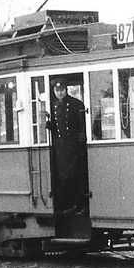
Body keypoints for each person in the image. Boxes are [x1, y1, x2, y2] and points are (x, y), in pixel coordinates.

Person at [47, 79, 88, 213]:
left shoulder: (75, 104)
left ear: (66, 90)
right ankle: (69, 203)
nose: (59, 93)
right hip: (60, 147)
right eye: (57, 90)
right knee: (64, 176)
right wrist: (50, 126)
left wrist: (82, 135)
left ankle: (80, 203)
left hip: (74, 146)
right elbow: (57, 125)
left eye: (62, 90)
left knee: (76, 175)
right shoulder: (52, 105)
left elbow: (82, 122)